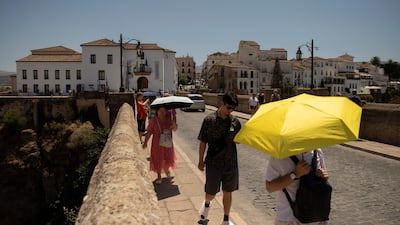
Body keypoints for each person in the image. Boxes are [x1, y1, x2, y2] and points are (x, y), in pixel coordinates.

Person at [197, 92, 241, 225]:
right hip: (213, 163)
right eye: (229, 107)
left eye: (233, 108)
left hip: (230, 163)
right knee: (211, 193)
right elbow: (203, 141)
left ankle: (226, 219)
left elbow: (238, 141)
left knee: (228, 191)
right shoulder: (209, 120)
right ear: (222, 103)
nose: (231, 111)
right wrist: (200, 160)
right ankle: (207, 204)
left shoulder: (235, 122)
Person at [265, 149, 329, 225]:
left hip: (317, 218)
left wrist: (324, 176)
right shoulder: (279, 157)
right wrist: (295, 174)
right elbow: (270, 187)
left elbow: (323, 179)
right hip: (289, 219)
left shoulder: (317, 152)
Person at [142, 106, 177, 184]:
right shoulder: (154, 121)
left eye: (164, 111)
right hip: (157, 144)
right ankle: (159, 176)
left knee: (168, 157)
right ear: (157, 112)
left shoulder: (168, 119)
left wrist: (173, 123)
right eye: (160, 111)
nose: (162, 113)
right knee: (157, 159)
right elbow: (149, 132)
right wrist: (145, 142)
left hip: (167, 143)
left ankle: (167, 170)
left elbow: (174, 129)